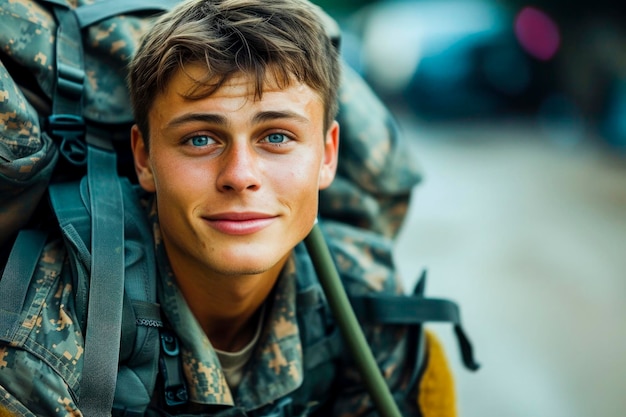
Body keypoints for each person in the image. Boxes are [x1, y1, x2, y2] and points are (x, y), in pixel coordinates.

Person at [0, 0, 458, 415]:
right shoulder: (49, 342)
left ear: (327, 154)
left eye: (276, 136)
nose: (240, 175)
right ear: (144, 158)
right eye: (200, 139)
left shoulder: (369, 305)